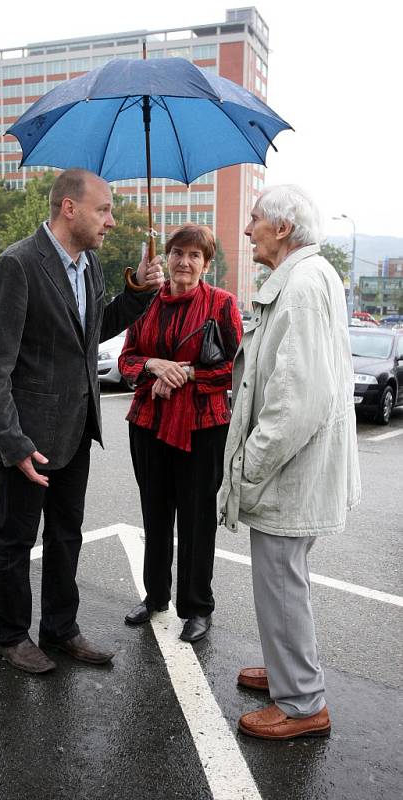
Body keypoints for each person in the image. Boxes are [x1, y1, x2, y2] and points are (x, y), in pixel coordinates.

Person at [0, 168, 164, 674]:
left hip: (76, 428)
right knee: (15, 540)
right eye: (103, 209)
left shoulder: (92, 265)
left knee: (66, 535)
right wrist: (12, 442)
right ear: (69, 208)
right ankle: (11, 637)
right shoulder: (16, 265)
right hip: (25, 437)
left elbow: (94, 330)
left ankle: (60, 629)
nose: (111, 219)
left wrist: (140, 291)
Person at [219, 185, 361, 739]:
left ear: (282, 229)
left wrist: (249, 466)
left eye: (255, 219)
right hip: (298, 470)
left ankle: (302, 703)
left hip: (289, 472)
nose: (249, 228)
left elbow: (295, 400)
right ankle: (288, 676)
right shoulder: (309, 277)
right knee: (285, 579)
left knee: (280, 582)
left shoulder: (301, 285)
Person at [119, 224, 243, 643]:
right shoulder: (147, 303)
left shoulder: (221, 305)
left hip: (203, 427)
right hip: (149, 424)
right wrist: (154, 368)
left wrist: (187, 374)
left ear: (207, 264)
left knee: (196, 519)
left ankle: (197, 607)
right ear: (166, 258)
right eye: (177, 253)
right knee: (154, 514)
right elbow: (126, 360)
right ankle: (154, 596)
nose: (184, 262)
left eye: (194, 255)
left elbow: (234, 369)